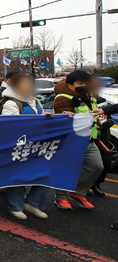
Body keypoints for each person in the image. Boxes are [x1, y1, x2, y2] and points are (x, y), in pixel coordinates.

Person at [0, 73, 50, 220]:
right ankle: (14, 206)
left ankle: (34, 203)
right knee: (19, 175)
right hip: (19, 145)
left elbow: (39, 117)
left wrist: (45, 117)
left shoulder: (34, 100)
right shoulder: (11, 103)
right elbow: (10, 127)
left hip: (37, 144)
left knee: (45, 173)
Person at [52, 71, 102, 211]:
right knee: (67, 169)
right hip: (71, 141)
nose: (83, 86)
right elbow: (65, 118)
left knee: (97, 167)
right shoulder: (63, 98)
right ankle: (61, 198)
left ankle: (78, 193)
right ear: (70, 85)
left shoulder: (89, 96)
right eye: (80, 83)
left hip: (89, 140)